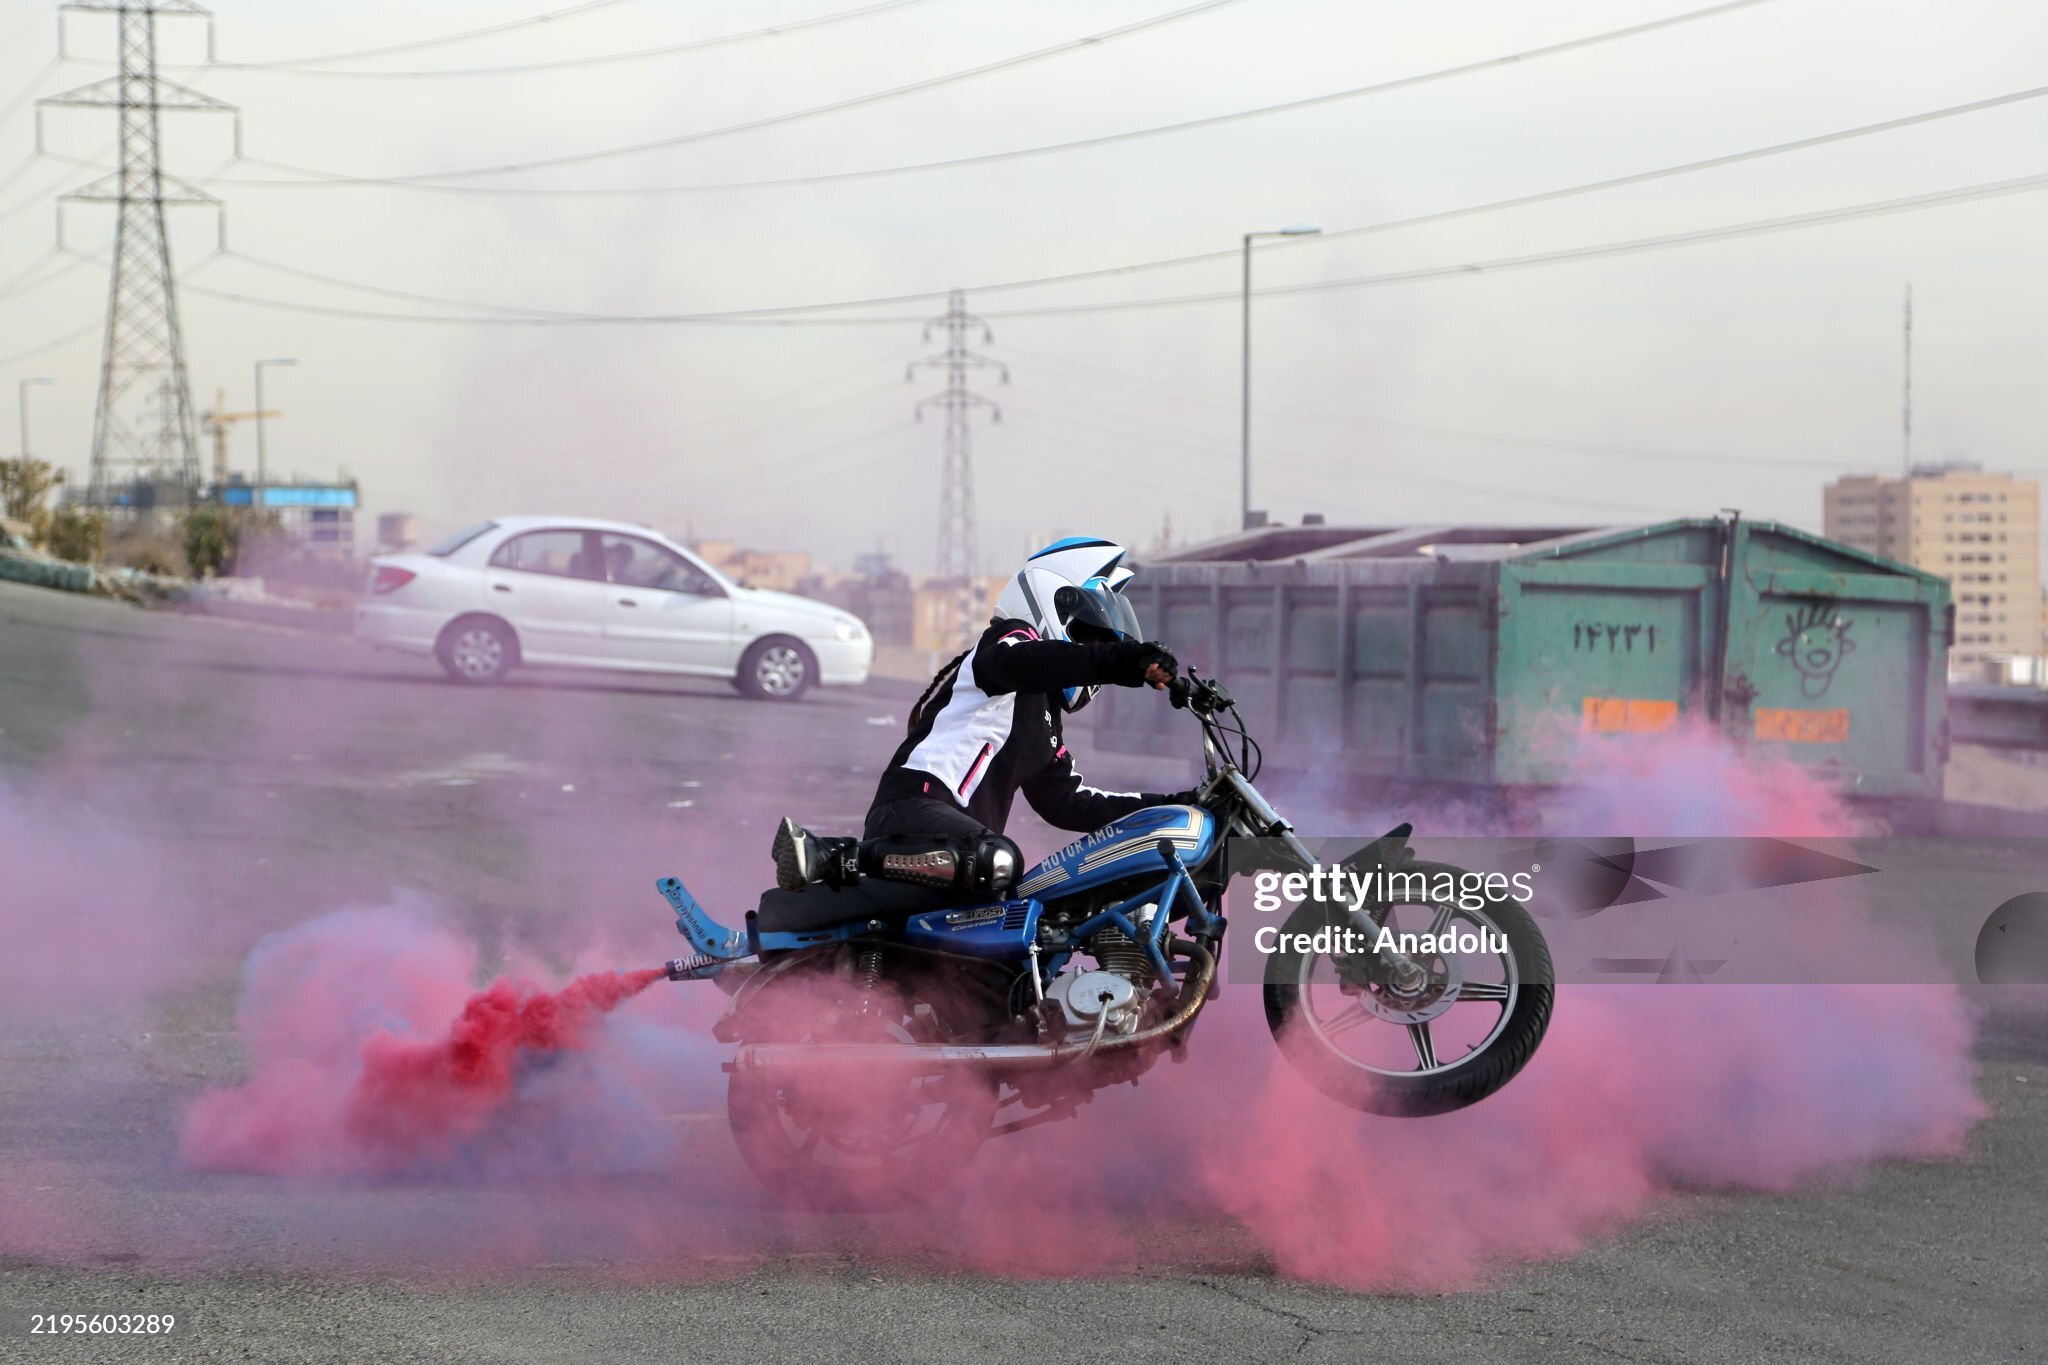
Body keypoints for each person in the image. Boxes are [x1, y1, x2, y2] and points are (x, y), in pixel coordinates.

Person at [764, 537, 1193, 923]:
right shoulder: (1007, 645)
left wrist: (1177, 809)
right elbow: (1025, 661)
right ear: (1053, 604)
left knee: (1020, 940)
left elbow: (1069, 803)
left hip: (960, 854)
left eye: (1103, 645)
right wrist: (1127, 661)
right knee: (1001, 861)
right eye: (1090, 637)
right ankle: (830, 857)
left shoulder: (1044, 722)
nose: (1094, 651)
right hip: (916, 810)